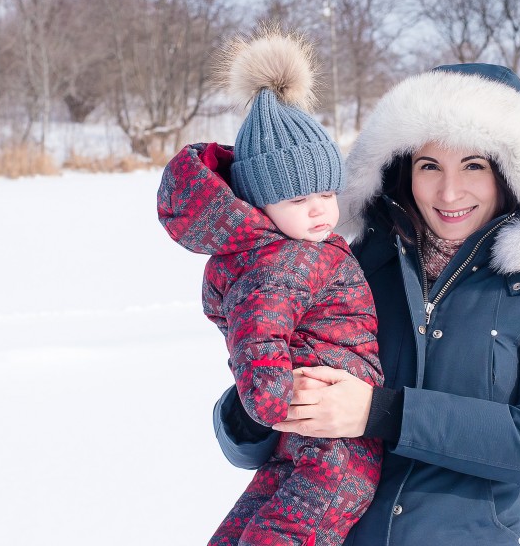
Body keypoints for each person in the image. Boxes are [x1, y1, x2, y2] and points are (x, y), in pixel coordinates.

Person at [212, 62, 520, 545]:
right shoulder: (348, 269)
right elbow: (252, 446)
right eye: (429, 166)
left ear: (512, 172)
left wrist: (381, 412)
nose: (449, 192)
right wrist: (259, 405)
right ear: (402, 168)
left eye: (474, 166)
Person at [157, 30, 383, 546]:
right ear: (261, 203)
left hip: (304, 431)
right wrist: (273, 403)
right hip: (335, 436)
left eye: (327, 192)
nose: (320, 209)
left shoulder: (282, 250)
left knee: (258, 515)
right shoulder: (288, 259)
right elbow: (258, 335)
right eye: (299, 198)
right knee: (292, 524)